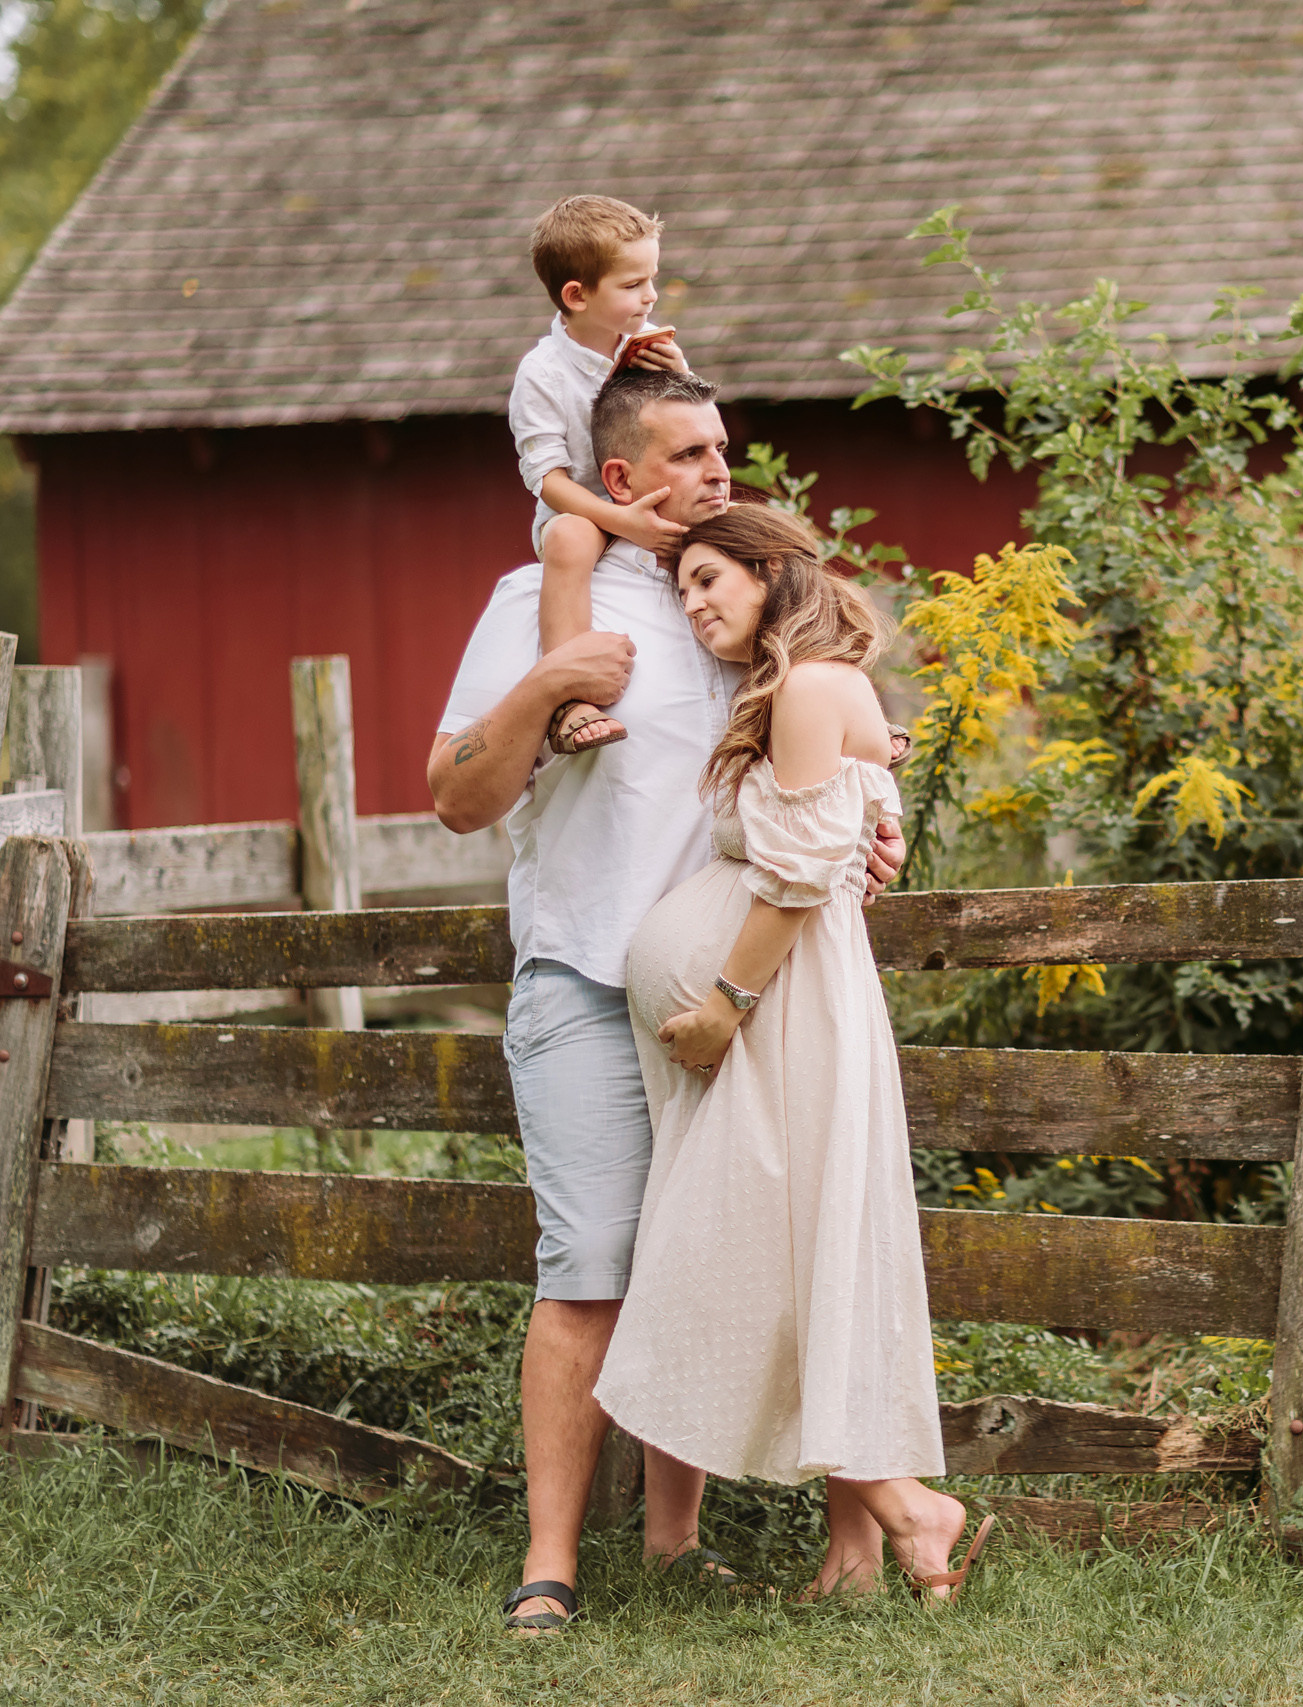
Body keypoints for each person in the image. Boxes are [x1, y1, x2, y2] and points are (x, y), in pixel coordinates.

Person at [427, 366, 903, 1636]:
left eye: (724, 450)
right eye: (689, 454)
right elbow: (456, 795)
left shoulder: (734, 607)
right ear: (622, 477)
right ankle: (549, 1565)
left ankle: (675, 1541)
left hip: (739, 1007)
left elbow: (836, 751)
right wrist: (548, 684)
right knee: (591, 1267)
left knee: (713, 1251)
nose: (717, 472)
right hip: (585, 985)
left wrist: (882, 825)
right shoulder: (536, 599)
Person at [595, 503, 992, 1604]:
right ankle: (860, 1557)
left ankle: (910, 1508)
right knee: (808, 1253)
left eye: (712, 578)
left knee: (767, 1261)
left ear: (774, 573)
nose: (696, 603)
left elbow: (798, 875)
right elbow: (845, 819)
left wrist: (723, 1004)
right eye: (682, 589)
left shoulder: (810, 686)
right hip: (786, 1006)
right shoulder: (803, 690)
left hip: (783, 1008)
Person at [510, 194, 689, 756]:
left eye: (652, 279)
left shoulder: (648, 344)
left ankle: (813, 668)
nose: (651, 295)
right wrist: (620, 521)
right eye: (634, 285)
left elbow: (691, 433)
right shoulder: (543, 374)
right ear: (577, 296)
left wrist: (681, 377)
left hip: (654, 496)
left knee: (755, 531)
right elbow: (547, 479)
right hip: (587, 510)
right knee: (568, 536)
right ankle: (569, 700)